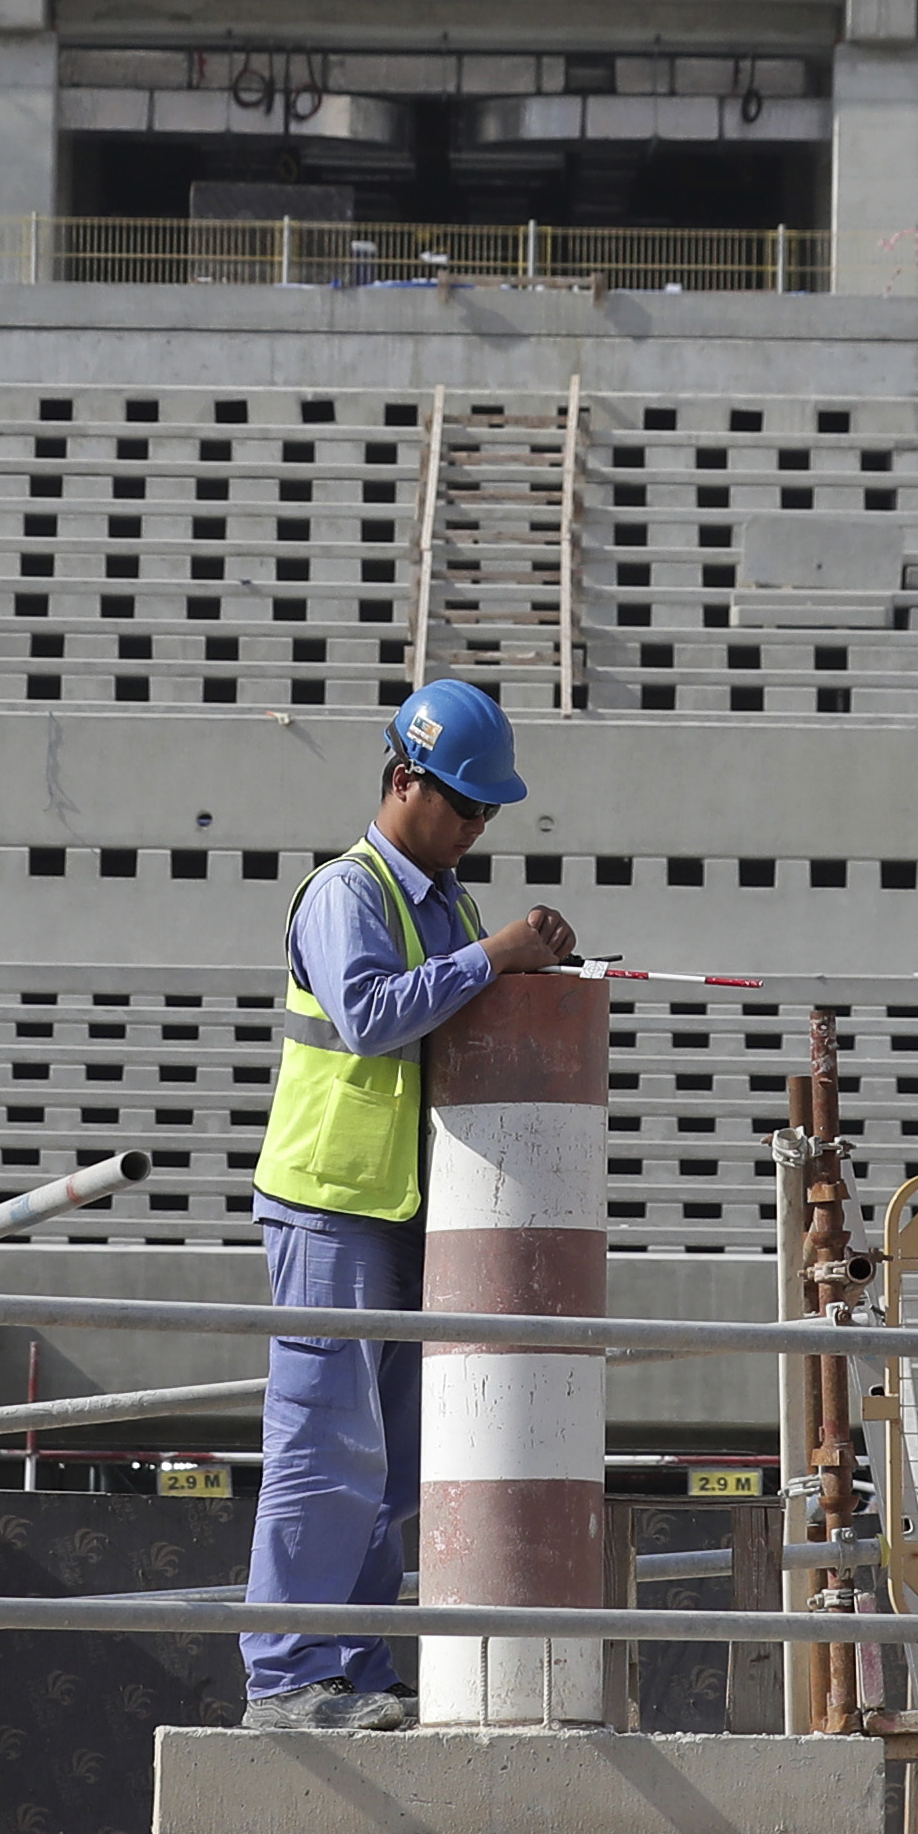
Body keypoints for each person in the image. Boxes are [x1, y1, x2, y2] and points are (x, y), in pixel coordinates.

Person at [238, 679, 577, 1735]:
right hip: (332, 1203)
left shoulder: (448, 903)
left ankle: (355, 1670)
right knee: (323, 1444)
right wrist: (497, 957)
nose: (477, 828)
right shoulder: (348, 893)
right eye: (466, 807)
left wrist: (519, 968)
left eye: (488, 814)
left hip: (399, 1209)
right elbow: (373, 1014)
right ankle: (288, 1677)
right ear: (403, 781)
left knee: (387, 1466)